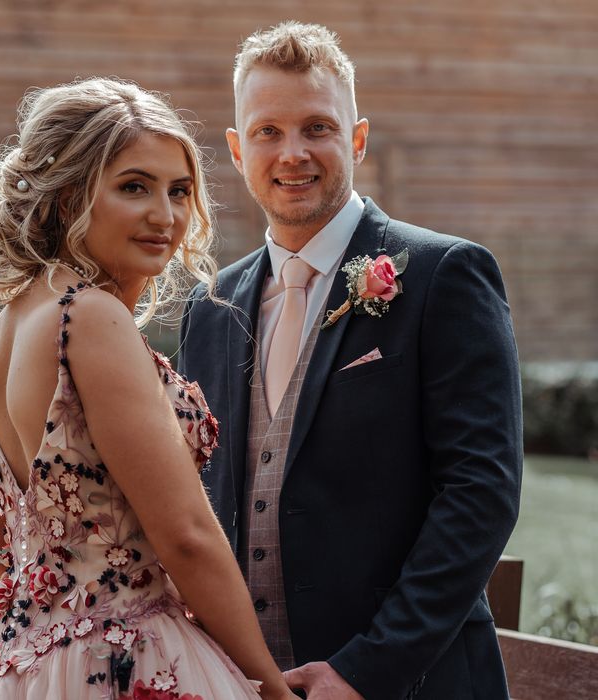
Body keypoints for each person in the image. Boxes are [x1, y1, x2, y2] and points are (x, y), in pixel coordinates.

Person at [0, 77, 295, 699]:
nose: (164, 216)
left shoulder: (13, 319)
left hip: (20, 663)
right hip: (122, 660)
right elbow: (187, 537)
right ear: (67, 199)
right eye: (133, 187)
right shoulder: (89, 316)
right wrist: (271, 687)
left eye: (178, 191)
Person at [178, 21, 522, 700]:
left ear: (357, 139)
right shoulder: (208, 308)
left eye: (317, 128)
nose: (292, 153)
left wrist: (366, 671)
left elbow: (481, 494)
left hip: (411, 684)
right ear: (238, 148)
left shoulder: (444, 276)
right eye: (269, 132)